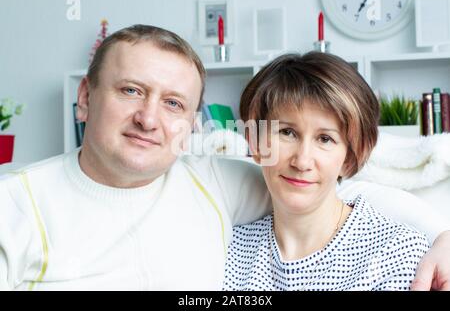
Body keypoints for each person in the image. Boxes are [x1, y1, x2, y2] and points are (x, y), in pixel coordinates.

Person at [0, 25, 448, 290]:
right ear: (85, 97)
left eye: (174, 103)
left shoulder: (211, 184)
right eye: (131, 90)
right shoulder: (12, 205)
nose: (149, 118)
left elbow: (337, 194)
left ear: (193, 121)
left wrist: (443, 235)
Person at [223, 52, 430, 290]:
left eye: (325, 139)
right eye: (287, 133)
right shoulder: (227, 247)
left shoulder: (396, 252)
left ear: (350, 158)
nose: (302, 161)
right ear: (256, 143)